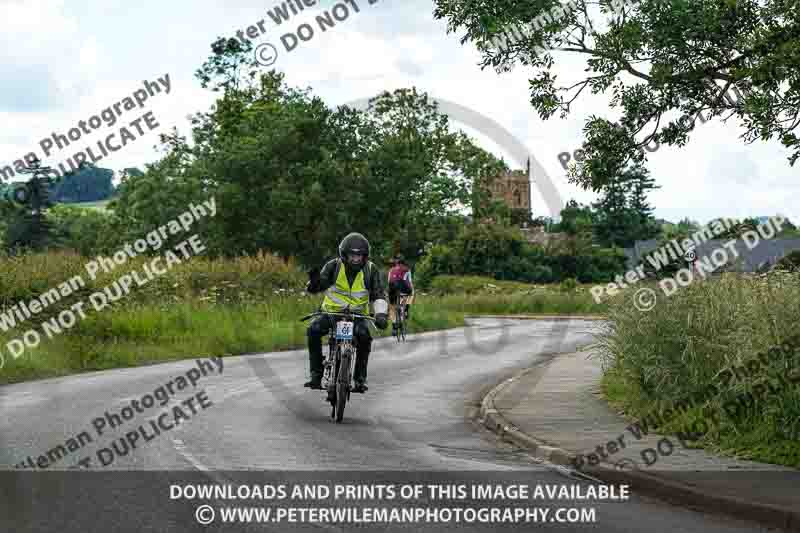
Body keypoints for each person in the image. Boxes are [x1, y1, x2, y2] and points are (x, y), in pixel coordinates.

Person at [304, 232, 389, 393]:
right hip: (330, 313)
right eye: (352, 255)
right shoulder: (333, 266)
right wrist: (313, 283)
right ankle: (316, 375)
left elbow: (378, 294)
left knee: (365, 338)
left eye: (359, 256)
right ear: (344, 255)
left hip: (356, 316)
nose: (356, 259)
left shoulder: (371, 270)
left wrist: (381, 314)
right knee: (313, 331)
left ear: (365, 256)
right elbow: (320, 284)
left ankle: (359, 379)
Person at [387, 255, 414, 336]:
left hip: (392, 287)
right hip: (402, 286)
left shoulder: (391, 270)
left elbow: (389, 281)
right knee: (409, 294)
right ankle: (405, 310)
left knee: (392, 306)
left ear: (396, 263)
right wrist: (410, 291)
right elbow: (409, 281)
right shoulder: (407, 270)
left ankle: (394, 326)